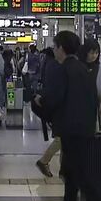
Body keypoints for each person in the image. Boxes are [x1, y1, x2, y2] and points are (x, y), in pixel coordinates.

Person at [42, 31, 101, 201]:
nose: (54, 51)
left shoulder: (62, 70)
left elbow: (55, 99)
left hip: (71, 127)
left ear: (61, 49)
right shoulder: (83, 69)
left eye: (55, 47)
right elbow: (93, 98)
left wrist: (40, 104)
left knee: (80, 172)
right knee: (70, 170)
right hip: (82, 126)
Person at [35, 48, 61, 177]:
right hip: (58, 107)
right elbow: (53, 87)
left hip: (53, 105)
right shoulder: (55, 65)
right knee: (61, 138)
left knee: (62, 139)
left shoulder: (49, 64)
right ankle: (44, 161)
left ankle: (64, 168)